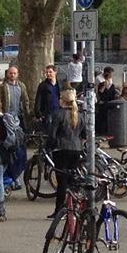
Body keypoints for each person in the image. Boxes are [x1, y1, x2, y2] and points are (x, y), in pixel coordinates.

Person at [46, 88, 86, 217]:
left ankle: (60, 210)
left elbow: (52, 134)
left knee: (61, 181)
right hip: (76, 148)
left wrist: (50, 146)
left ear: (62, 101)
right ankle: (75, 206)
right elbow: (84, 135)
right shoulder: (79, 115)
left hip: (61, 149)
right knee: (72, 179)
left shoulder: (58, 115)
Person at [0, 65, 30, 187]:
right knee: (10, 150)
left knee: (20, 150)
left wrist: (27, 116)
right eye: (10, 73)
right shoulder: (3, 86)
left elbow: (25, 101)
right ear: (7, 74)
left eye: (14, 73)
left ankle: (14, 176)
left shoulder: (21, 86)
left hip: (19, 119)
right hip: (7, 119)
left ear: (18, 74)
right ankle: (11, 178)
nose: (12, 75)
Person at [34, 65, 62, 133]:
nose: (48, 74)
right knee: (49, 131)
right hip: (48, 112)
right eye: (47, 72)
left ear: (55, 72)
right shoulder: (43, 86)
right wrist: (38, 113)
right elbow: (38, 100)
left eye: (50, 72)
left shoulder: (60, 85)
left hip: (59, 112)